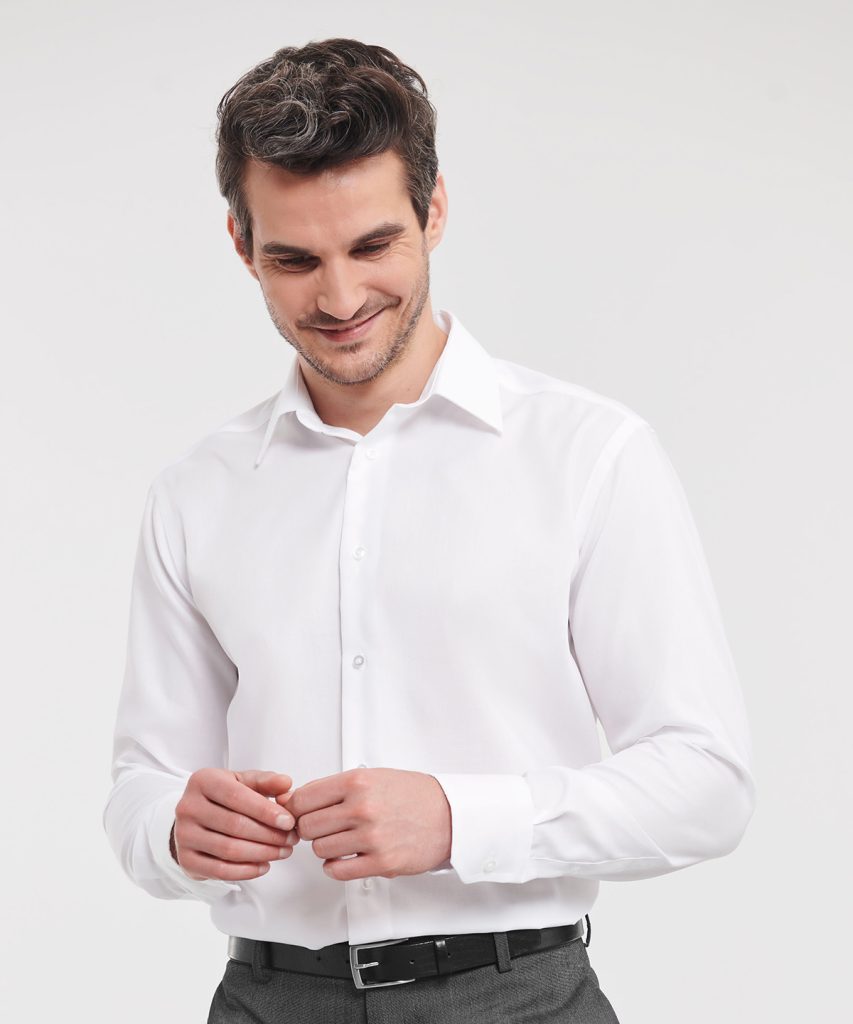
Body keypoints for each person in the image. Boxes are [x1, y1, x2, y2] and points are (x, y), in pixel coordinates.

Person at [103, 38, 755, 1024]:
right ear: (241, 244)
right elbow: (140, 785)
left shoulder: (588, 454)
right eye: (293, 259)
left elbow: (706, 783)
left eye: (372, 247)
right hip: (267, 1000)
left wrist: (460, 818)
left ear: (433, 210)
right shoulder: (197, 492)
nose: (338, 299)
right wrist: (170, 828)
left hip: (517, 1001)